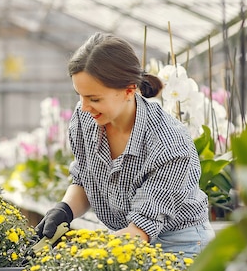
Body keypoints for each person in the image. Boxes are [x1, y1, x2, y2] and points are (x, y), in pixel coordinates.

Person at [36, 32, 214, 256]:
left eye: (94, 98)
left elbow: (141, 230)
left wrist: (80, 252)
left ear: (129, 90)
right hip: (124, 236)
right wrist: (65, 209)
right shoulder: (85, 120)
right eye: (80, 96)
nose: (83, 107)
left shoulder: (168, 141)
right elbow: (84, 179)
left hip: (179, 245)